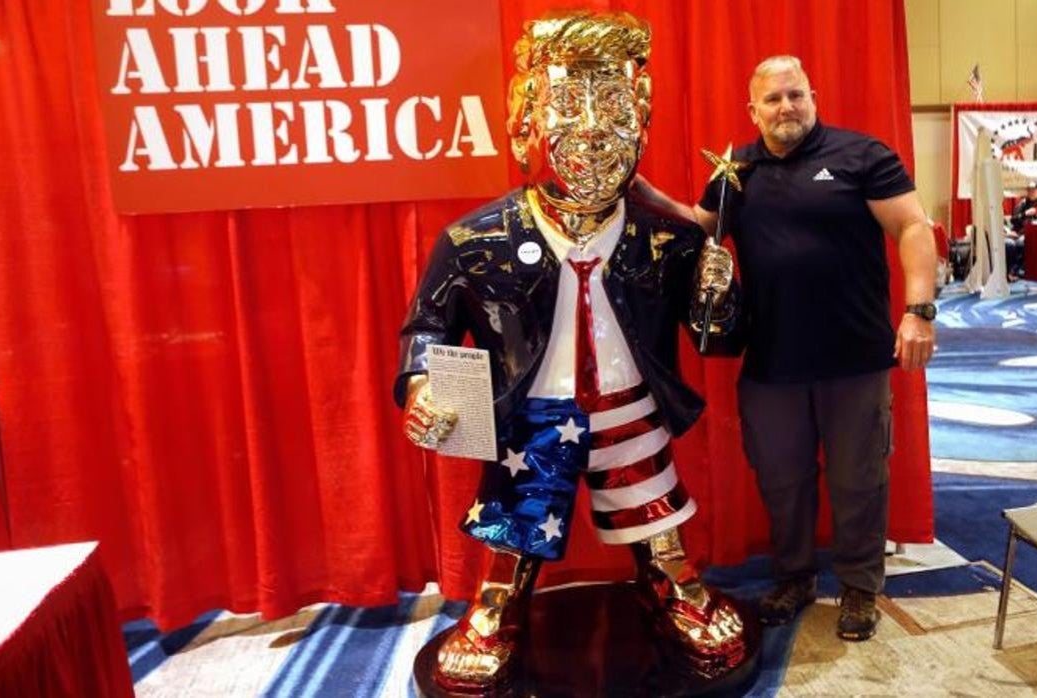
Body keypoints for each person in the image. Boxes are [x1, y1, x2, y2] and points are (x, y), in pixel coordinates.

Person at [395, 12, 748, 691]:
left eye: (614, 107)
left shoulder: (668, 239)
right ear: (523, 125)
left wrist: (717, 296)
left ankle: (668, 575)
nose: (592, 129)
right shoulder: (474, 240)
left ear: (642, 126)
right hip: (532, 416)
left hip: (630, 410)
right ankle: (500, 598)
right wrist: (422, 387)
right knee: (518, 517)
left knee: (652, 502)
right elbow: (425, 330)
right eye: (567, 105)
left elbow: (716, 340)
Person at [635, 55, 936, 641]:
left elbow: (914, 227)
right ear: (753, 110)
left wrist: (919, 310)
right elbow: (701, 227)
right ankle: (796, 577)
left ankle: (858, 587)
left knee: (858, 479)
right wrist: (647, 194)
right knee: (781, 478)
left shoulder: (862, 156)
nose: (785, 108)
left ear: (813, 97)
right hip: (770, 361)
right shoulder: (736, 169)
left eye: (795, 95)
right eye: (772, 100)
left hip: (854, 357)